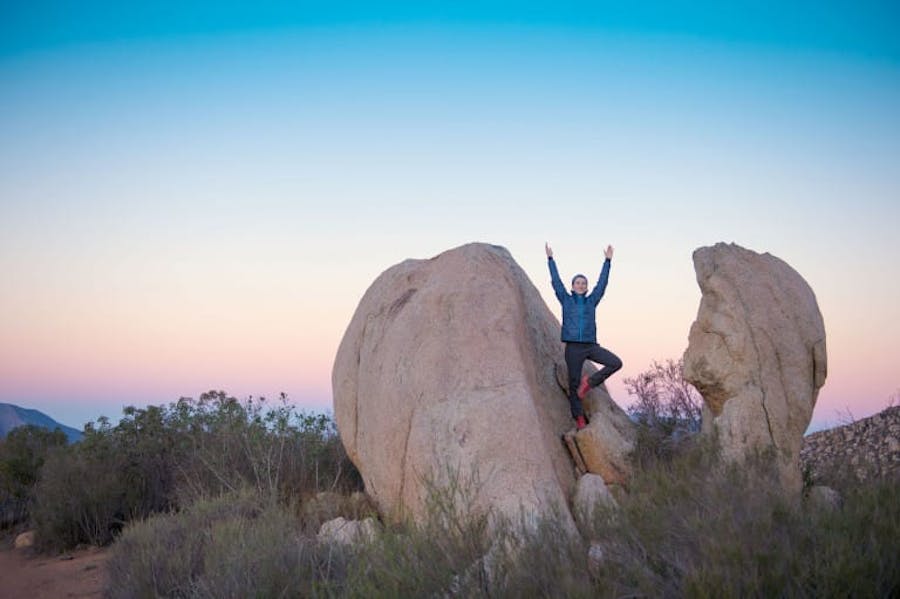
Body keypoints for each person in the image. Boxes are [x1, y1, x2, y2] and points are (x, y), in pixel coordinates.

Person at [546, 242, 623, 430]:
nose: (581, 285)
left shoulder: (592, 301)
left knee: (615, 363)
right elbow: (556, 281)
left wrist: (607, 261)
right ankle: (579, 419)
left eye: (583, 283)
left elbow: (602, 283)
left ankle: (588, 382)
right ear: (572, 287)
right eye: (577, 283)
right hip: (573, 347)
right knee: (573, 385)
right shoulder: (565, 299)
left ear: (586, 287)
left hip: (590, 346)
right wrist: (550, 259)